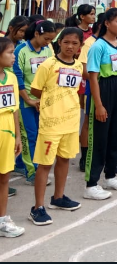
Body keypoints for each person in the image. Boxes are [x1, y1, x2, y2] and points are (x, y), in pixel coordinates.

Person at [29, 27, 84, 226]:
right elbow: (36, 89)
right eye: (66, 42)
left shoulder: (78, 66)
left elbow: (75, 90)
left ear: (80, 46)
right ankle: (37, 207)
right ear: (59, 43)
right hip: (51, 124)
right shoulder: (48, 65)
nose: (70, 46)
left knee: (64, 160)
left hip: (70, 122)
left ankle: (58, 198)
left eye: (75, 43)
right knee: (45, 164)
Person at [84, 8, 117, 200]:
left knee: (116, 135)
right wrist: (99, 104)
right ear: (107, 23)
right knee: (99, 139)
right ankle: (91, 183)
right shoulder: (98, 46)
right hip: (103, 89)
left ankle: (111, 175)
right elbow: (93, 78)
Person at [13, 20, 57, 185]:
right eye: (46, 38)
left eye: (51, 40)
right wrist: (28, 99)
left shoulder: (47, 50)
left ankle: (21, 164)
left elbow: (51, 74)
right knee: (29, 136)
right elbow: (18, 77)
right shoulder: (21, 50)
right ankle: (33, 173)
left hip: (42, 100)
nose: (48, 42)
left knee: (40, 135)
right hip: (25, 101)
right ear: (37, 33)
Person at [0, 38, 24, 237]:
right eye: (10, 52)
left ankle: (2, 220)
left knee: (4, 178)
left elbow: (15, 109)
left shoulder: (11, 77)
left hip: (7, 132)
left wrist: (17, 136)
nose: (14, 56)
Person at [77, 14, 105, 172]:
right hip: (94, 88)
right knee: (89, 122)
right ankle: (85, 156)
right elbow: (84, 70)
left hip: (110, 89)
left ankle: (101, 154)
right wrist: (102, 77)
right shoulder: (90, 43)